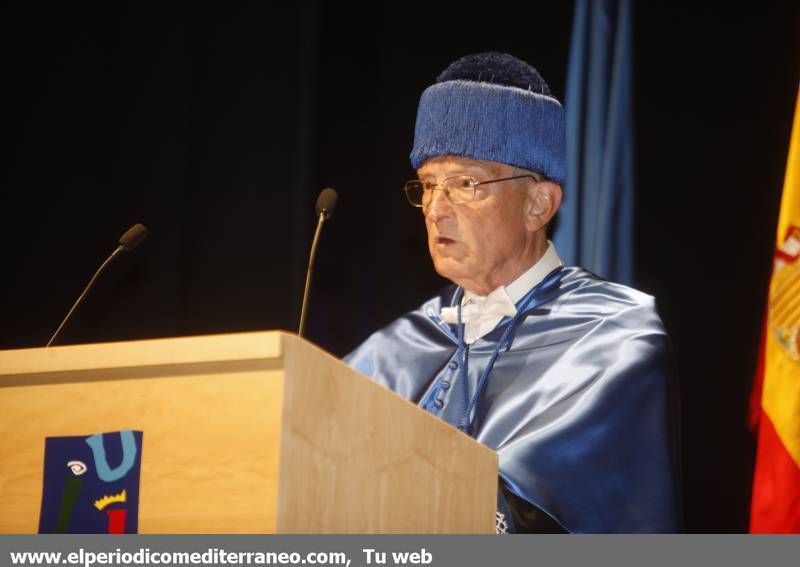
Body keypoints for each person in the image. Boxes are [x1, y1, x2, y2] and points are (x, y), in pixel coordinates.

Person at [345, 52, 681, 533]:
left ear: (538, 204)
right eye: (428, 185)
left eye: (465, 184)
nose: (436, 209)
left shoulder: (614, 335)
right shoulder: (394, 350)